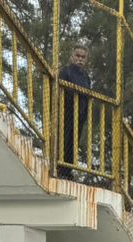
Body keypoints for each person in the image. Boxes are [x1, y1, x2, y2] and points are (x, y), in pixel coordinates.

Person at [58, 44, 91, 177]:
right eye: (77, 56)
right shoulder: (66, 71)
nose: (80, 59)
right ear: (72, 56)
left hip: (80, 114)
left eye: (83, 57)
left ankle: (68, 170)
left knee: (74, 142)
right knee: (63, 139)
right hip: (66, 112)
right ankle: (60, 168)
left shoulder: (86, 77)